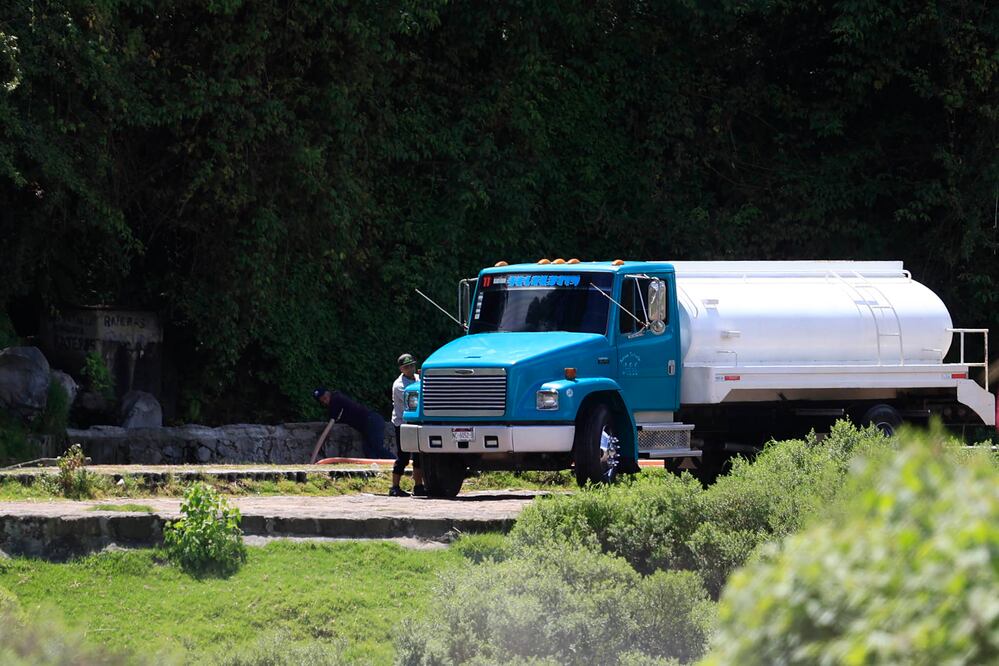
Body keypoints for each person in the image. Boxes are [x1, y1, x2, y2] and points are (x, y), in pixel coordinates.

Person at [310, 387, 391, 462]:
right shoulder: (336, 401)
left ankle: (399, 464)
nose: (324, 401)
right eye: (321, 401)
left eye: (324, 398)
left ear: (328, 393)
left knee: (377, 448)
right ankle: (375, 471)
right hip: (366, 426)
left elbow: (331, 423)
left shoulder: (336, 399)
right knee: (369, 451)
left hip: (372, 421)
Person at [390, 353, 424, 497]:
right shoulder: (399, 386)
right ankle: (394, 487)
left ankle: (418, 486)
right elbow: (415, 399)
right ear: (401, 369)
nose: (410, 369)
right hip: (402, 423)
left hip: (415, 422)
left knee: (418, 455)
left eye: (412, 365)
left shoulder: (417, 378)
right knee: (403, 456)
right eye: (406, 367)